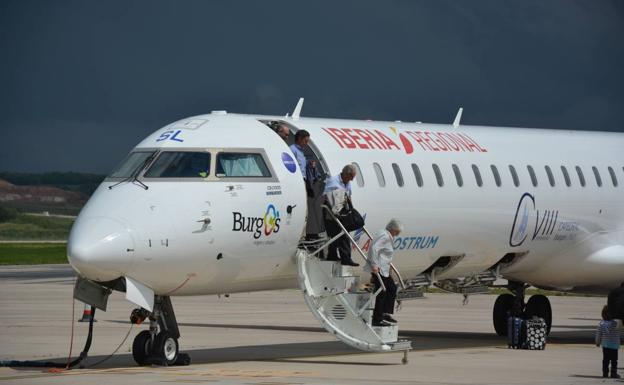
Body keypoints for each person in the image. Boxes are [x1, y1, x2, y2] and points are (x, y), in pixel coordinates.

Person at [365, 219, 403, 327]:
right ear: (392, 229)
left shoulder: (386, 235)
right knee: (382, 293)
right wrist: (374, 265)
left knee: (391, 288)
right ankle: (377, 319)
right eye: (397, 231)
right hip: (379, 269)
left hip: (384, 269)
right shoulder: (384, 236)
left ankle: (385, 314)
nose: (398, 233)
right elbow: (374, 248)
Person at [323, 164, 359, 266]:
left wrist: (351, 210)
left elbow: (348, 196)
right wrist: (333, 211)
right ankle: (340, 257)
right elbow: (326, 197)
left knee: (341, 233)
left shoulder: (347, 183)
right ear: (346, 174)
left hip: (342, 211)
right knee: (338, 233)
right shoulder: (333, 182)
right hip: (331, 212)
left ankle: (339, 256)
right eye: (351, 177)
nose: (351, 180)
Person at [596, 305, 622, 378]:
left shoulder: (601, 324)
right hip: (614, 346)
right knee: (614, 360)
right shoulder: (616, 323)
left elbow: (599, 334)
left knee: (605, 360)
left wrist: (597, 342)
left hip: (605, 345)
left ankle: (605, 373)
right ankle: (613, 373)